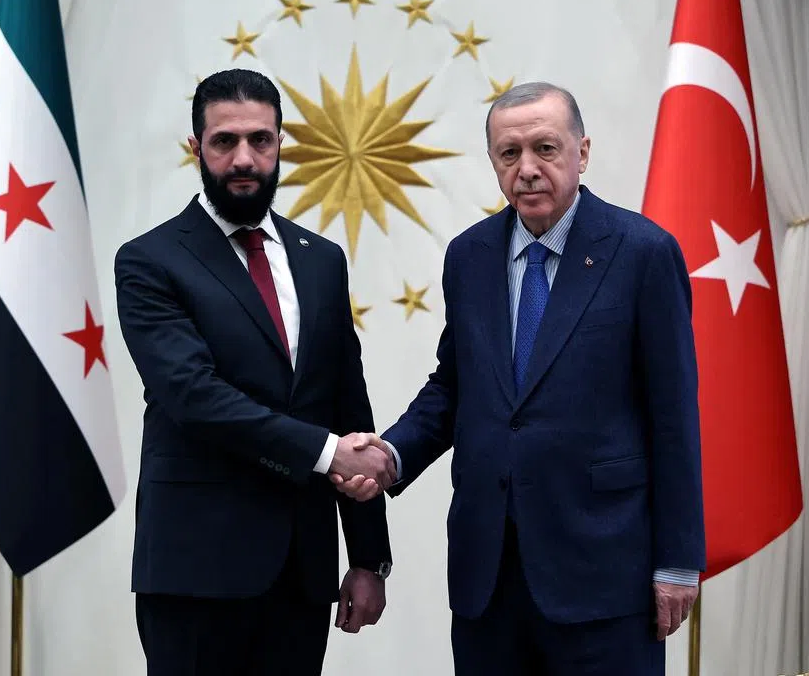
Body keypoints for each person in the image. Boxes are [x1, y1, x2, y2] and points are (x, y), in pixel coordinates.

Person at [335, 82, 705, 675]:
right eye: (510, 154)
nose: (528, 169)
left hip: (605, 578)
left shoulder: (643, 252)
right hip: (490, 581)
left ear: (582, 153)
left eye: (545, 149)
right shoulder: (469, 256)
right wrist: (391, 455)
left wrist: (679, 562)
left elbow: (674, 415)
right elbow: (455, 386)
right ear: (493, 163)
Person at [115, 68, 397, 676]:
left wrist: (370, 557)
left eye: (260, 141)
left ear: (280, 144)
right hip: (195, 573)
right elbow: (194, 397)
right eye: (224, 141)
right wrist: (327, 453)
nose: (244, 158)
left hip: (301, 573)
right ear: (196, 147)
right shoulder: (149, 261)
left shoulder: (321, 261)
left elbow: (348, 405)